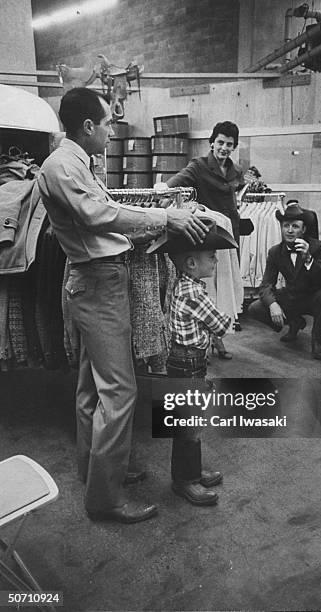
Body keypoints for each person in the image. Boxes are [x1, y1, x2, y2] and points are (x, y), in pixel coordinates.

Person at [37, 87, 209, 524]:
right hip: (98, 284)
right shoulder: (62, 164)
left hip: (98, 281)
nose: (113, 132)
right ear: (88, 127)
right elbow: (97, 215)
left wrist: (146, 226)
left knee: (92, 388)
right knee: (120, 390)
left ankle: (94, 470)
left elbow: (105, 209)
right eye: (109, 123)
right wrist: (162, 218)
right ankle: (105, 499)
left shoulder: (77, 162)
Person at [147, 220, 236, 505]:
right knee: (188, 425)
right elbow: (220, 325)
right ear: (191, 263)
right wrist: (228, 320)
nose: (216, 260)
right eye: (211, 257)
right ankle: (185, 481)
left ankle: (192, 472)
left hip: (185, 360)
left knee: (190, 422)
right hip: (188, 364)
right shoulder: (194, 293)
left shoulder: (186, 284)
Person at [160, 121, 244, 359]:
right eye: (220, 142)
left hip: (229, 230)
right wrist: (160, 195)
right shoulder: (198, 166)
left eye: (229, 144)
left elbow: (236, 193)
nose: (224, 148)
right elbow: (172, 185)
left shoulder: (236, 170)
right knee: (208, 285)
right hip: (208, 233)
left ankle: (216, 339)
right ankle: (210, 341)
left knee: (224, 282)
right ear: (211, 143)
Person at [248, 203, 321, 361]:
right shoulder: (275, 252)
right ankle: (294, 322)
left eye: (295, 226)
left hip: (313, 297)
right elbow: (266, 284)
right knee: (255, 308)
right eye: (286, 226)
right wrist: (273, 305)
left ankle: (316, 340)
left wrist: (308, 258)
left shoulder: (318, 247)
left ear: (304, 229)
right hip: (292, 295)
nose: (290, 230)